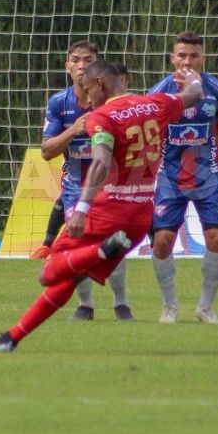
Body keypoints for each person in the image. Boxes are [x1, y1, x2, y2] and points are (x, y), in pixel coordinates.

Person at [0, 60, 204, 352]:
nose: (87, 98)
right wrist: (193, 77)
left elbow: (102, 161)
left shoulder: (101, 117)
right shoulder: (156, 104)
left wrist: (81, 208)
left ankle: (101, 249)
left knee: (49, 272)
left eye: (88, 90)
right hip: (141, 217)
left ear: (100, 84)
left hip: (108, 211)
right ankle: (11, 338)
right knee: (68, 281)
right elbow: (193, 95)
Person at [35, 40, 133, 321]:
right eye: (75, 60)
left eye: (87, 60)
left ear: (99, 68)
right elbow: (46, 151)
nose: (81, 66)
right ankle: (85, 305)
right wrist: (74, 130)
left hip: (112, 183)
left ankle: (121, 304)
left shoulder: (114, 101)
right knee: (78, 246)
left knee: (114, 242)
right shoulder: (59, 103)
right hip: (75, 187)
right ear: (67, 66)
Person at [148, 32, 218, 324]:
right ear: (172, 58)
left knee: (216, 237)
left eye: (193, 55)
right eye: (182, 55)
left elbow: (217, 128)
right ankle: (169, 306)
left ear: (202, 58)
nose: (187, 61)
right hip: (170, 177)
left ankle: (205, 306)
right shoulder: (158, 93)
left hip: (208, 174)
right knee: (163, 241)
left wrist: (211, 161)